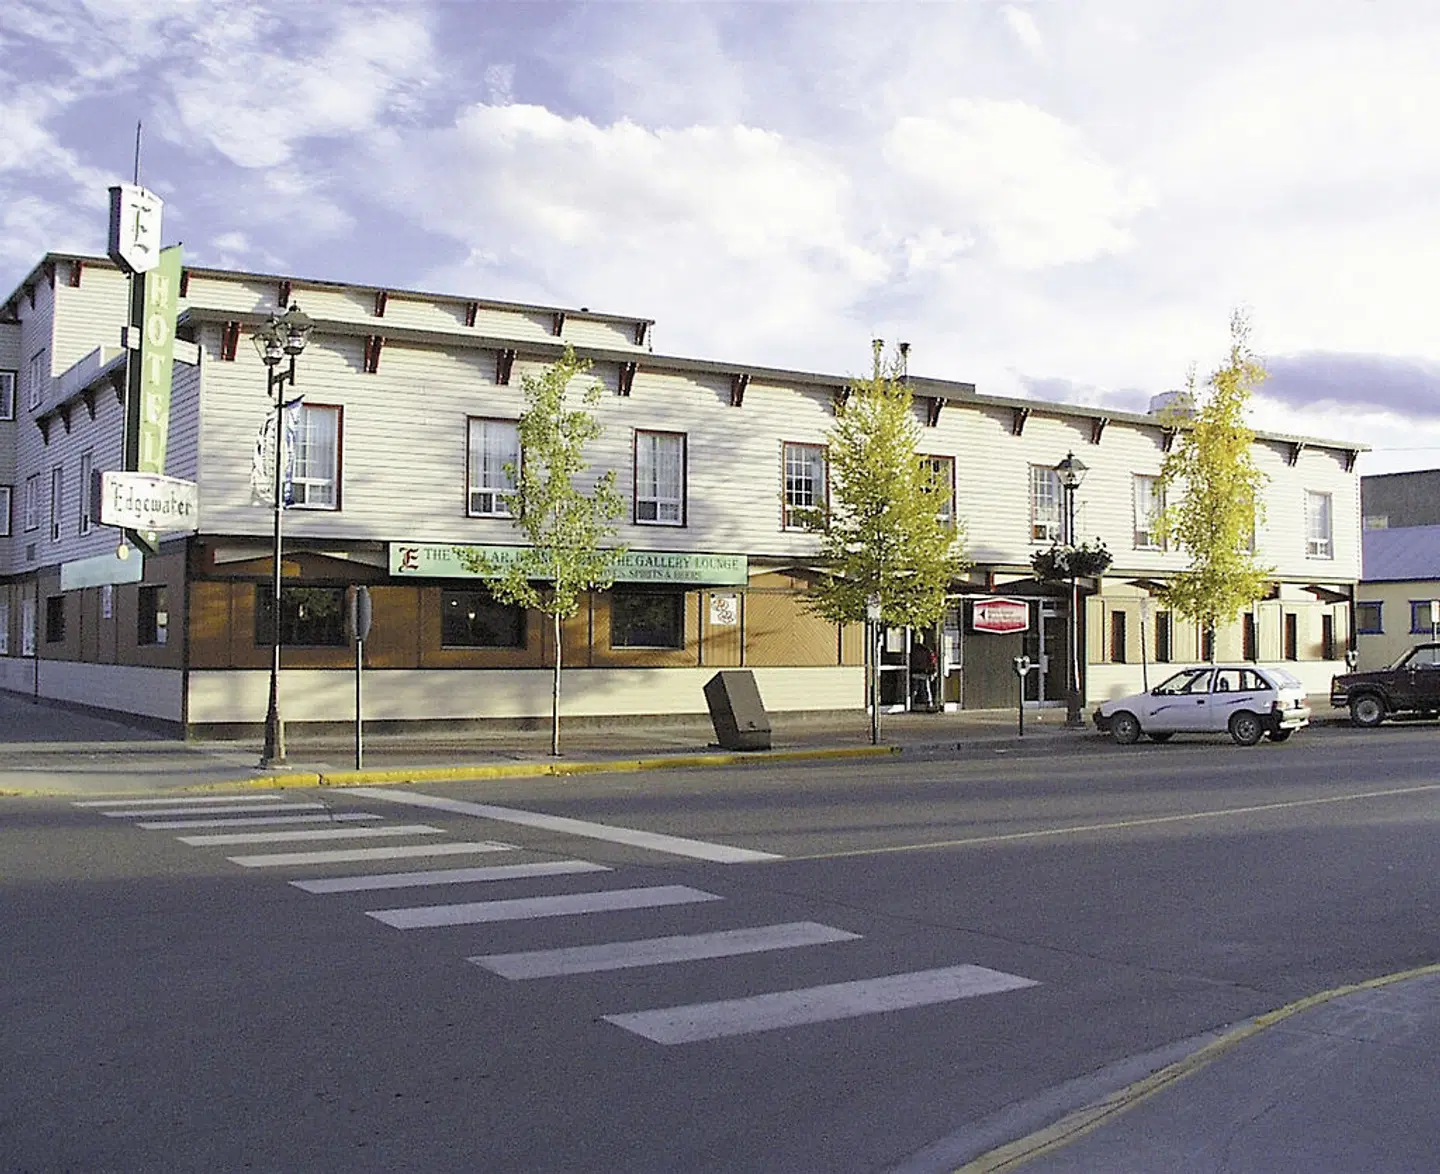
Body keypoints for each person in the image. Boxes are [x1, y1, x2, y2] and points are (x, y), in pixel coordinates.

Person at [910, 640, 938, 710]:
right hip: (923, 672)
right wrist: (932, 671)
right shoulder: (927, 650)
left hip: (915, 671)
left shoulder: (913, 650)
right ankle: (929, 704)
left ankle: (912, 704)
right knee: (926, 688)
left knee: (915, 689)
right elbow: (932, 661)